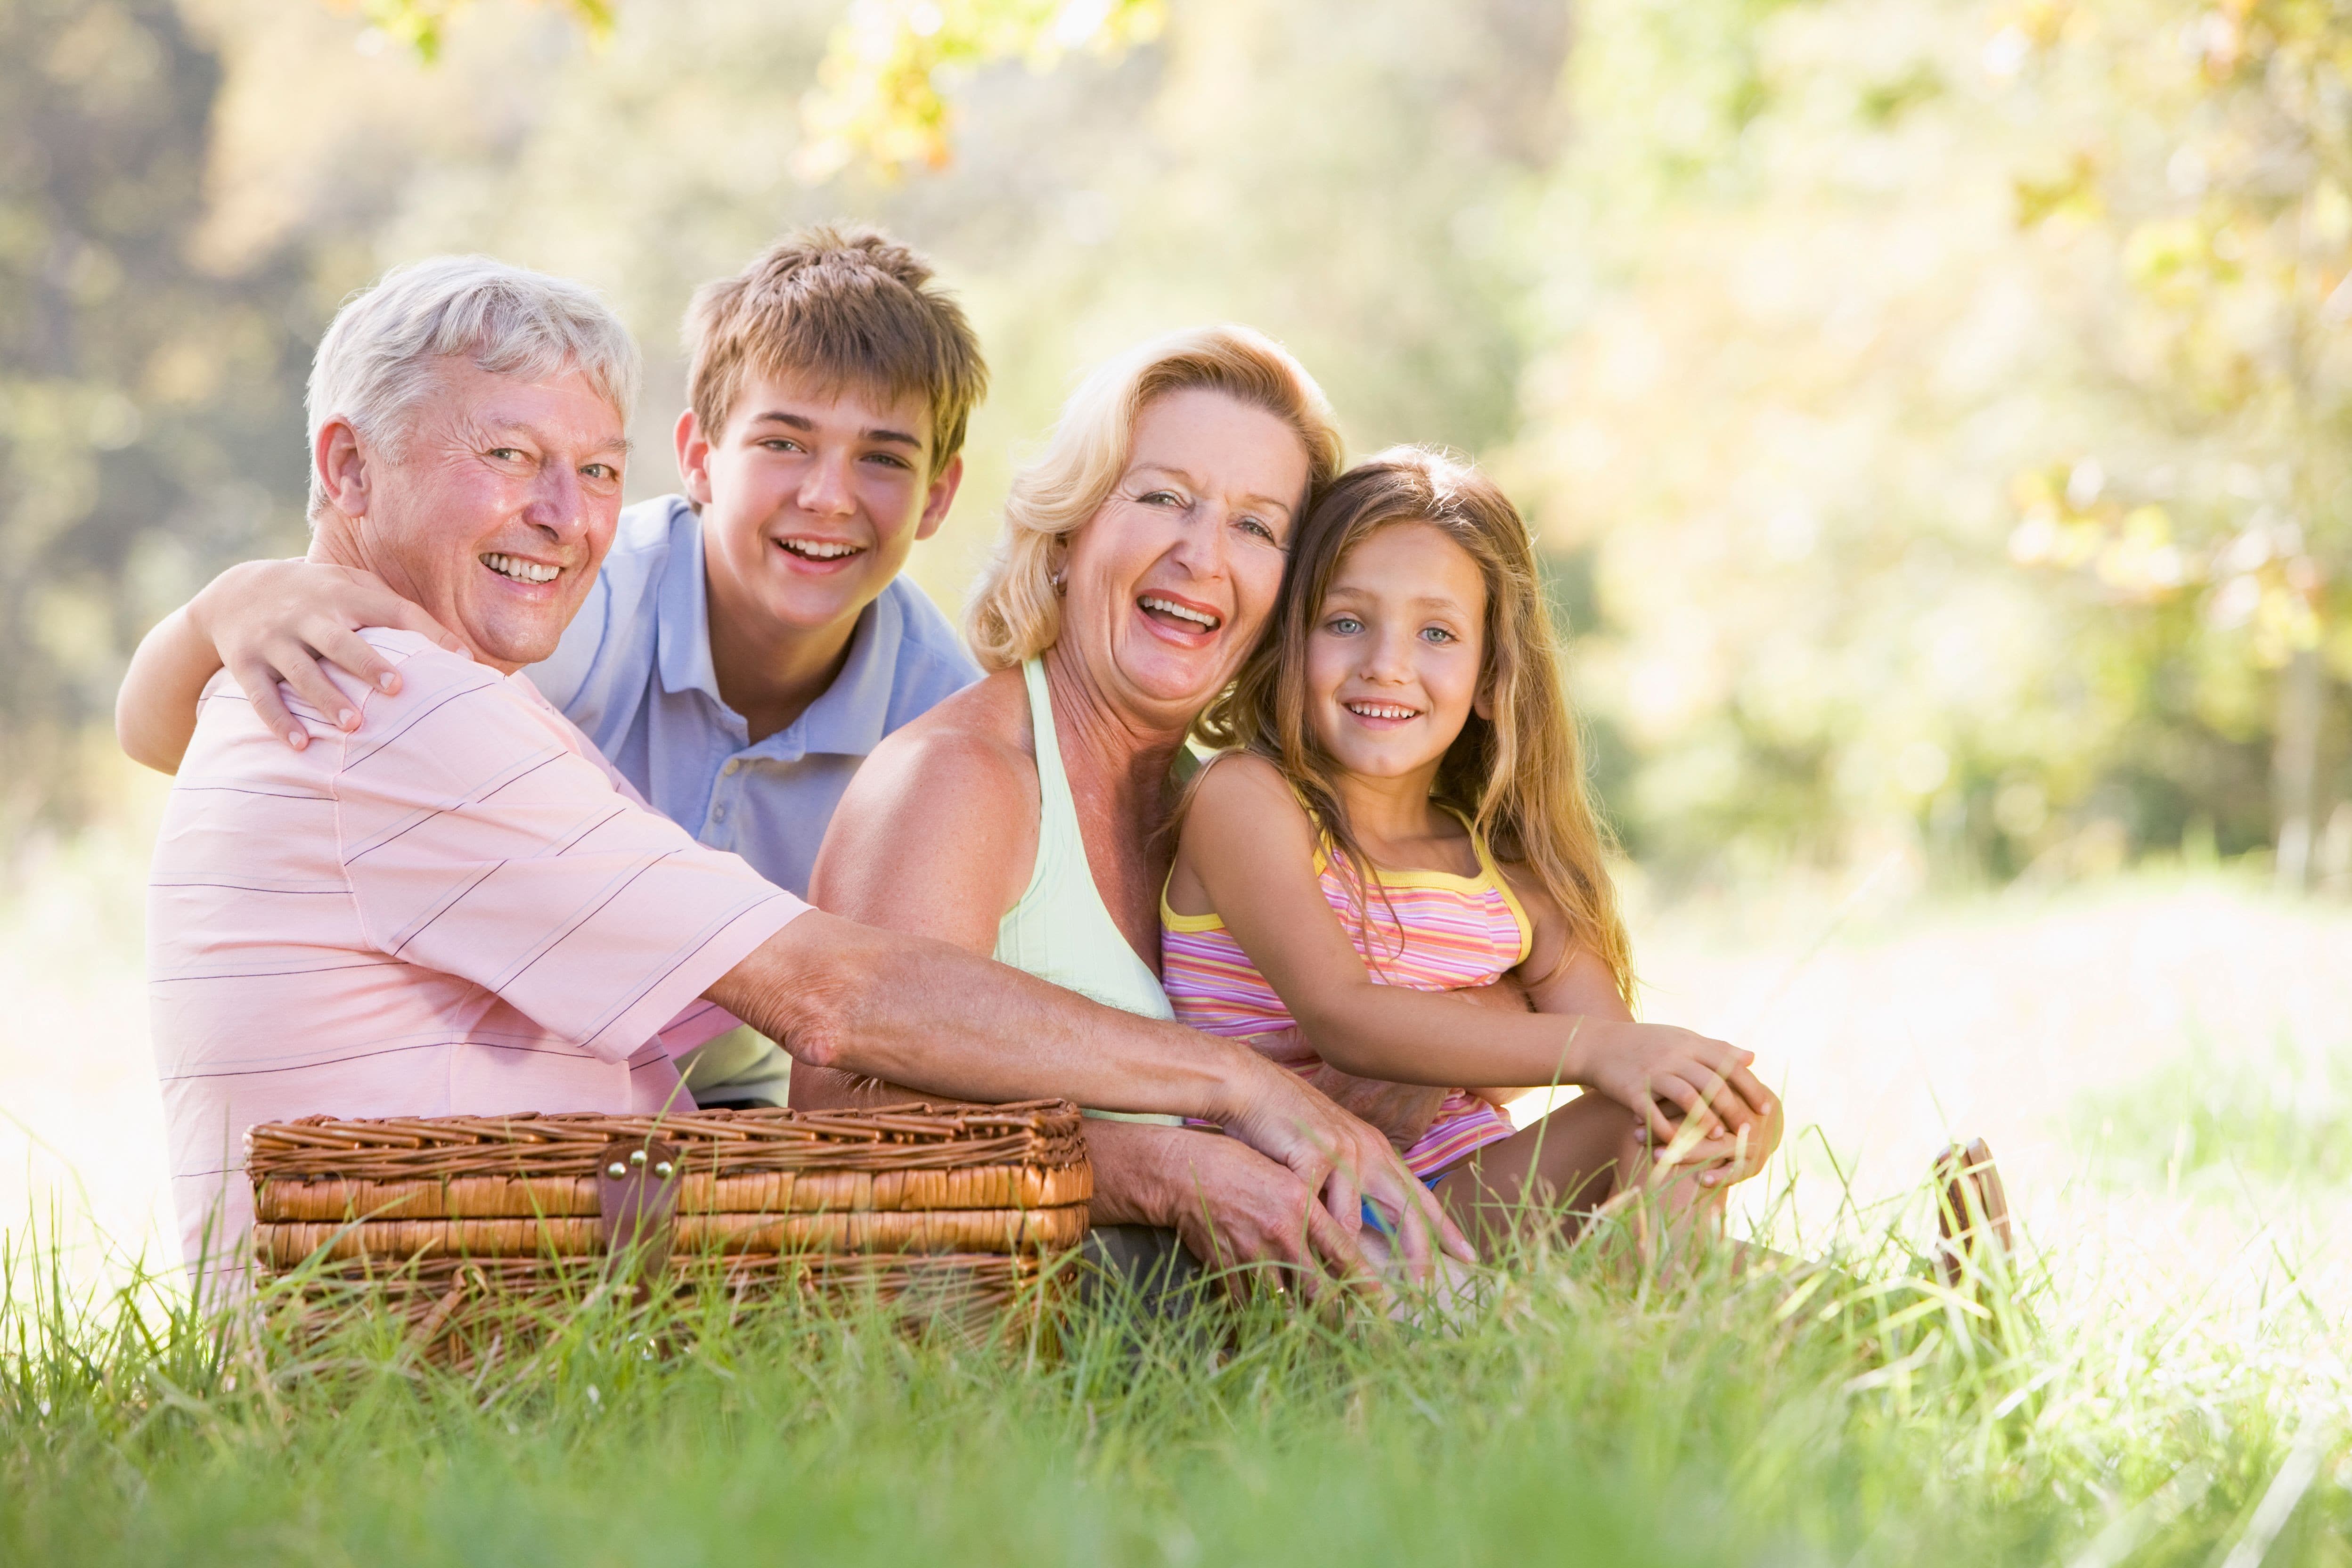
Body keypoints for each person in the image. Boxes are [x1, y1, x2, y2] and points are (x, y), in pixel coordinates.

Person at [125, 255, 1454, 1292]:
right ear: (348, 466)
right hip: (444, 1318)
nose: (563, 515)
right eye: (509, 459)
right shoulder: (410, 692)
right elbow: (838, 999)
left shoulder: (429, 678)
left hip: (561, 1231)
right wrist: (1232, 1097)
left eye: (592, 470)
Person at [797, 332, 1775, 1287]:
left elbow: (1405, 1021)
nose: (1203, 553)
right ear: (1066, 532)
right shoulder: (964, 775)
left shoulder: (1209, 791)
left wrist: (1481, 1024)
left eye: (1256, 525)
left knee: (1741, 1295)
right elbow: (844, 1123)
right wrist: (1170, 1172)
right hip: (1043, 1328)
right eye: (1164, 497)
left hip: (1296, 1287)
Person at [119, 225, 988, 1109]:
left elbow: (894, 1006)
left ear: (939, 496)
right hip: (520, 1085)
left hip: (735, 1094)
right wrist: (220, 608)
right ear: (698, 459)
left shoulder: (935, 717)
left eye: (882, 458)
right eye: (784, 443)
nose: (828, 496)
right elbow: (187, 732)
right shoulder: (560, 600)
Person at [1164, 448, 1781, 1256]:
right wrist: (1607, 1054)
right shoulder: (1247, 800)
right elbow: (1343, 1016)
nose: (1387, 664)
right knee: (1646, 1120)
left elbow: (1639, 1083)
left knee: (1673, 1131)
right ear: (1289, 643)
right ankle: (1665, 1308)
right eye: (1346, 622)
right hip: (1320, 1212)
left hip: (1474, 1205)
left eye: (1437, 634)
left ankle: (1917, 1310)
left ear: (1493, 677)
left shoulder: (1512, 882)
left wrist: (1735, 1118)